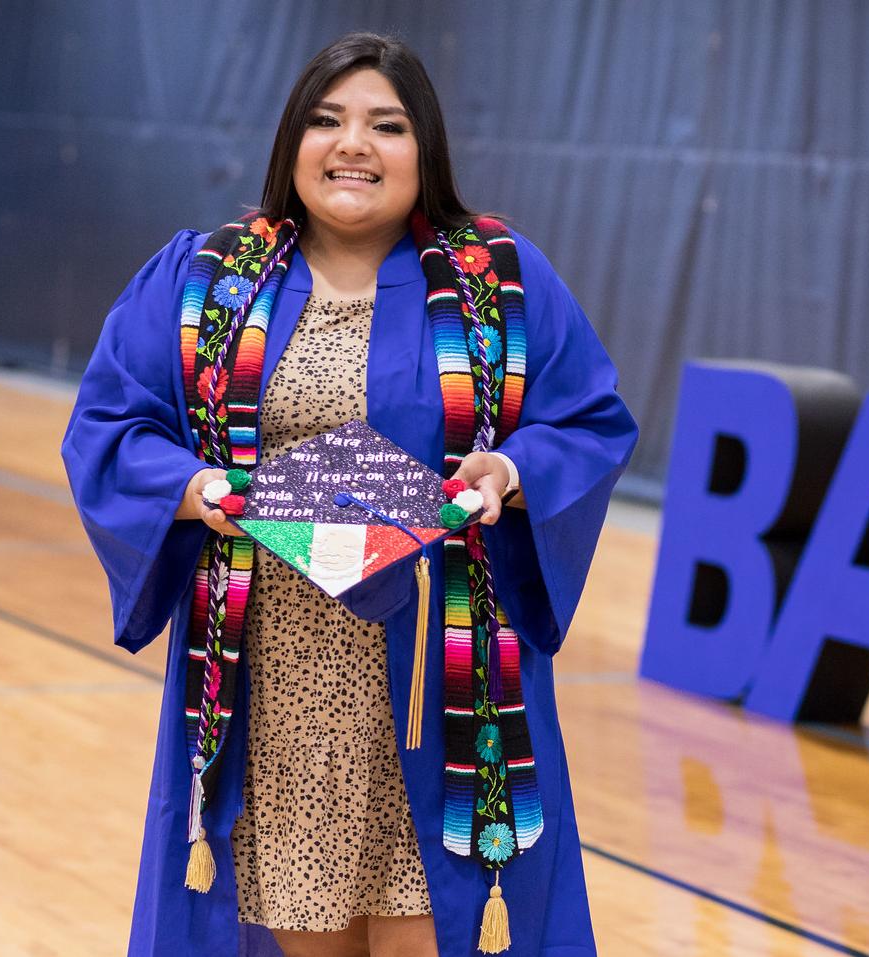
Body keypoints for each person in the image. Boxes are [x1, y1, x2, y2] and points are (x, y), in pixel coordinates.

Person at [61, 32, 636, 957]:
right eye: (327, 120)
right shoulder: (207, 280)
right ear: (293, 141)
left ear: (426, 150)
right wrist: (197, 485)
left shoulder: (497, 283)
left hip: (444, 682)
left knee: (430, 932)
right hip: (276, 681)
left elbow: (588, 420)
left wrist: (512, 471)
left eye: (387, 124)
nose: (353, 144)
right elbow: (110, 426)